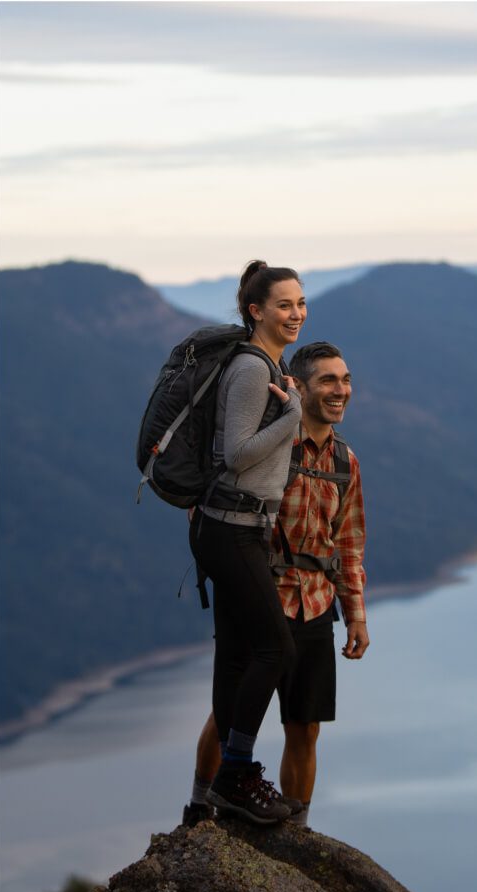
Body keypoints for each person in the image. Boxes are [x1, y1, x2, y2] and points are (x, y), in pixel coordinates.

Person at [185, 341, 369, 828]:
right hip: (260, 594)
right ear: (299, 388)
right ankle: (201, 807)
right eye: (328, 381)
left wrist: (356, 615)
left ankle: (297, 831)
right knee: (227, 714)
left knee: (304, 727)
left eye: (346, 380)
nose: (341, 391)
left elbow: (348, 544)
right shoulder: (271, 446)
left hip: (314, 603)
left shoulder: (345, 463)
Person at [188, 260, 307, 825]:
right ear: (256, 311)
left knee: (236, 657)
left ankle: (213, 796)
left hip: (238, 529)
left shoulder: (268, 368)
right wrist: (295, 416)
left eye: (301, 303)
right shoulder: (252, 369)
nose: (296, 314)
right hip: (231, 529)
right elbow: (236, 454)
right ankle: (235, 773)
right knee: (275, 650)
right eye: (284, 305)